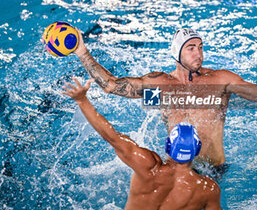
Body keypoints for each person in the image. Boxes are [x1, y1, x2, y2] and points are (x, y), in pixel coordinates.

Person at [73, 28, 257, 168]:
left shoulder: (220, 81)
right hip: (177, 169)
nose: (199, 54)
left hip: (216, 169)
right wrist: (82, 52)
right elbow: (112, 86)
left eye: (201, 47)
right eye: (191, 48)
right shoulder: (162, 85)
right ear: (177, 53)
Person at [62, 77, 222, 210]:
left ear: (168, 146)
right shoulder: (207, 189)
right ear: (196, 150)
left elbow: (111, 136)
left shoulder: (147, 166)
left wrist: (82, 100)